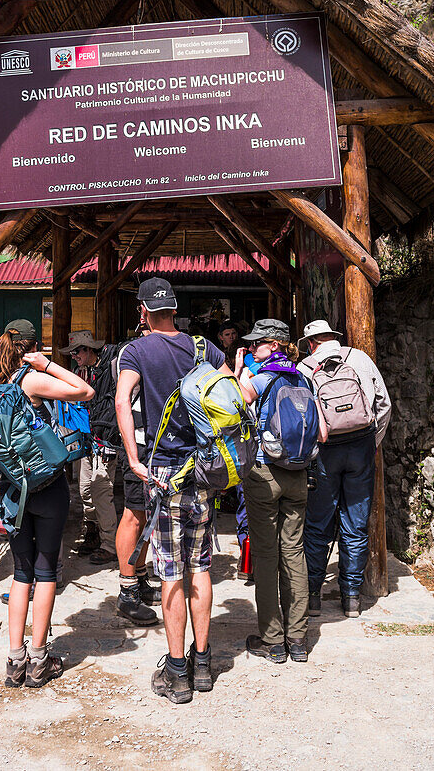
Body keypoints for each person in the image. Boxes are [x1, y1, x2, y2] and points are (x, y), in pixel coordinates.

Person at [115, 277, 253, 704]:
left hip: (163, 475)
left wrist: (135, 459)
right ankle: (204, 663)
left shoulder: (135, 351)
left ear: (143, 312)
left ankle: (177, 673)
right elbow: (238, 394)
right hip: (205, 474)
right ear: (174, 309)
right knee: (202, 567)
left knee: (171, 572)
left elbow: (122, 401)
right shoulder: (203, 348)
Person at [0, 318, 94, 689]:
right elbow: (84, 391)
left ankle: (14, 661)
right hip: (46, 487)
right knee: (46, 570)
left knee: (21, 573)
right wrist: (46, 364)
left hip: (11, 490)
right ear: (31, 346)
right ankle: (38, 659)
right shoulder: (30, 379)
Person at [235, 319, 325, 664]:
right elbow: (323, 434)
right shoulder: (304, 378)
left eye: (257, 343)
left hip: (264, 473)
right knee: (294, 552)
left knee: (267, 555)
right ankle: (298, 640)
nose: (252, 348)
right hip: (299, 474)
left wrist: (241, 369)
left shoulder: (264, 376)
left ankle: (273, 641)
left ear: (273, 345)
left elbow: (240, 402)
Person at [297, 319, 392, 618]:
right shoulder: (360, 358)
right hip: (361, 448)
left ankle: (313, 596)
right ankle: (351, 597)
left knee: (317, 524)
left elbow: (303, 418)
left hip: (325, 452)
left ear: (311, 343)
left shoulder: (304, 368)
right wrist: (372, 443)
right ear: (333, 338)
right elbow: (384, 404)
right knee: (356, 522)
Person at [113, 327, 162, 626]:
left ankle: (139, 578)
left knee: (145, 516)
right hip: (139, 443)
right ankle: (127, 591)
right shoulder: (132, 354)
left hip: (154, 445)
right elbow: (124, 400)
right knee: (133, 515)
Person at [61, 330, 119, 565]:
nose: (74, 355)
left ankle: (110, 544)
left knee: (102, 490)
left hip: (105, 438)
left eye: (77, 351)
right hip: (86, 438)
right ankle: (93, 532)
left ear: (89, 349)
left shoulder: (110, 371)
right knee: (85, 488)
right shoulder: (79, 373)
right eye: (72, 352)